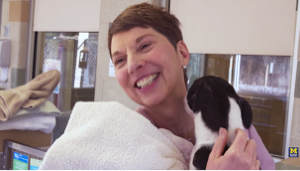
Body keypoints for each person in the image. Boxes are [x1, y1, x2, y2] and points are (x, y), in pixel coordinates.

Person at [108, 2, 275, 170]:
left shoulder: (231, 114)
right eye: (120, 60)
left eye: (144, 46)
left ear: (182, 53)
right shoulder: (126, 144)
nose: (131, 66)